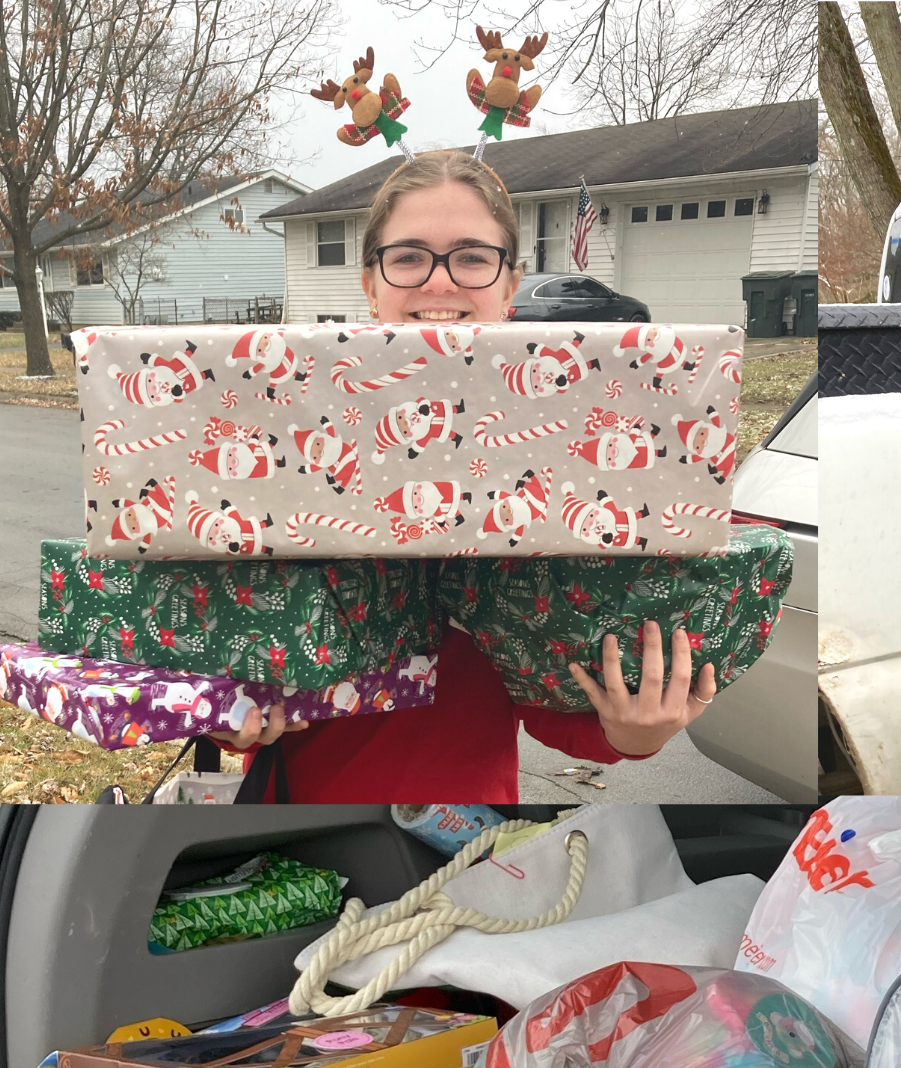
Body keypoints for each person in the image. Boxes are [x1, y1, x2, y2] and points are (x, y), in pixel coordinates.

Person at [223, 150, 717, 800]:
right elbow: (221, 643)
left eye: (472, 257)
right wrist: (230, 719)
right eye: (408, 256)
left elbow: (552, 695)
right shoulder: (285, 429)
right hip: (299, 814)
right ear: (370, 282)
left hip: (462, 836)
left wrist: (632, 731)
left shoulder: (557, 452)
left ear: (510, 285)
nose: (439, 282)